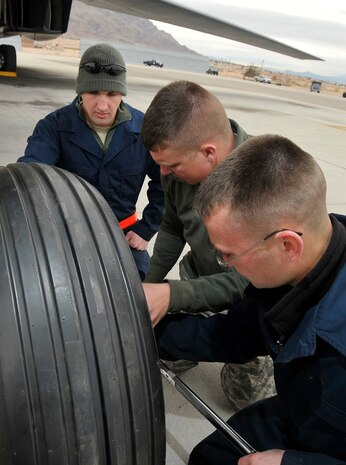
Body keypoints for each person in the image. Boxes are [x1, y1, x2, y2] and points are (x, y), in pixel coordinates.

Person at [155, 134, 346, 465]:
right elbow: (233, 334)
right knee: (209, 457)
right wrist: (139, 330)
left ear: (287, 246)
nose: (225, 265)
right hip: (300, 411)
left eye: (228, 255)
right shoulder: (285, 277)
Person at [141, 80, 276, 411]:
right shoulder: (176, 166)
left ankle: (263, 353)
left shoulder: (269, 183)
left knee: (246, 399)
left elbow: (246, 282)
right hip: (199, 276)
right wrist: (152, 283)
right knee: (164, 353)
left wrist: (172, 296)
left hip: (253, 298)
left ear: (209, 152)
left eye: (172, 166)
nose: (163, 172)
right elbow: (172, 226)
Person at [17, 43, 163, 281]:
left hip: (124, 236)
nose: (102, 105)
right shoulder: (53, 128)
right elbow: (29, 176)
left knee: (138, 296)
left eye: (112, 94)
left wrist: (146, 229)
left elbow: (166, 181)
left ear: (122, 93)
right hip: (68, 239)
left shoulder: (145, 130)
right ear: (81, 90)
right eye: (94, 93)